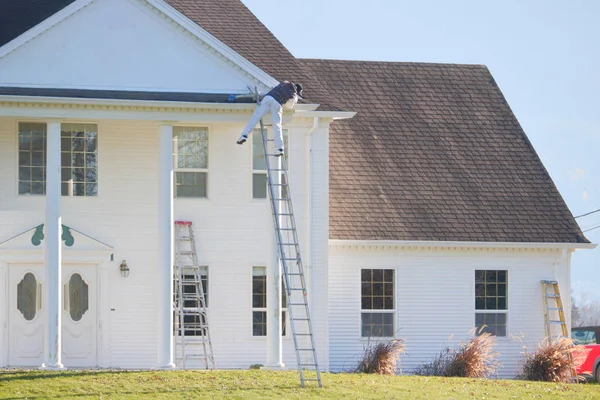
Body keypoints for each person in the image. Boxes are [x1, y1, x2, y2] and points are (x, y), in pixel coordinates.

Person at [237, 81, 303, 157]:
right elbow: (289, 106)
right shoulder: (293, 95)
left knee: (255, 117)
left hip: (268, 98)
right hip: (278, 103)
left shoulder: (285, 83)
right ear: (297, 91)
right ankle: (280, 148)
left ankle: (244, 135)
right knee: (277, 126)